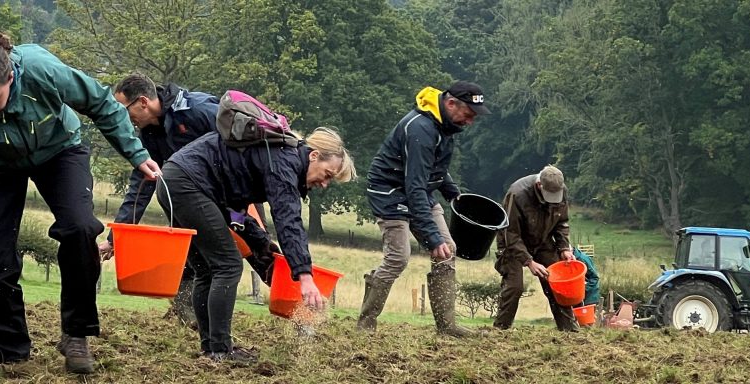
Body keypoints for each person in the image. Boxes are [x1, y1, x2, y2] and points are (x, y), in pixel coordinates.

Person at [0, 33, 160, 374]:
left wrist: (136, 154)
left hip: (60, 150)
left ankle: (76, 334)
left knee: (81, 228)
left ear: (10, 78)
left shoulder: (42, 71)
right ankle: (12, 354)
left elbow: (101, 102)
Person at [158, 126, 355, 363]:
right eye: (328, 174)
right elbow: (288, 220)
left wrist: (262, 243)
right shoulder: (285, 163)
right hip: (189, 185)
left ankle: (212, 348)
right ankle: (221, 351)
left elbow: (236, 209)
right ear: (314, 156)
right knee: (228, 265)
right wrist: (305, 276)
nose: (324, 183)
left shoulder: (277, 154)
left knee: (207, 269)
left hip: (174, 180)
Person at [359, 81, 490, 337]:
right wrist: (432, 237)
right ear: (451, 104)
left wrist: (454, 193)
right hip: (390, 193)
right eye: (468, 114)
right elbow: (414, 185)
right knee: (398, 258)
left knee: (447, 251)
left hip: (418, 190)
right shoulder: (420, 129)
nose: (470, 122)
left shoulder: (444, 126)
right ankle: (366, 324)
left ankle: (447, 327)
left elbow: (434, 168)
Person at [96, 72, 220, 327]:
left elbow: (238, 145)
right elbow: (141, 187)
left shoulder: (198, 111)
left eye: (125, 110)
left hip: (233, 197)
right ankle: (197, 321)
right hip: (193, 205)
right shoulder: (151, 135)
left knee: (255, 253)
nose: (125, 119)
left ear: (143, 102)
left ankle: (300, 306)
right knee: (198, 258)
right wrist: (114, 240)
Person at [493, 165, 579, 331]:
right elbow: (510, 233)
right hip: (513, 242)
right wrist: (529, 261)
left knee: (556, 282)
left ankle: (570, 330)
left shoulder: (561, 191)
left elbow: (562, 222)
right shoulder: (517, 194)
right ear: (539, 185)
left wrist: (564, 248)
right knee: (514, 287)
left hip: (543, 239)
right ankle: (500, 330)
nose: (553, 198)